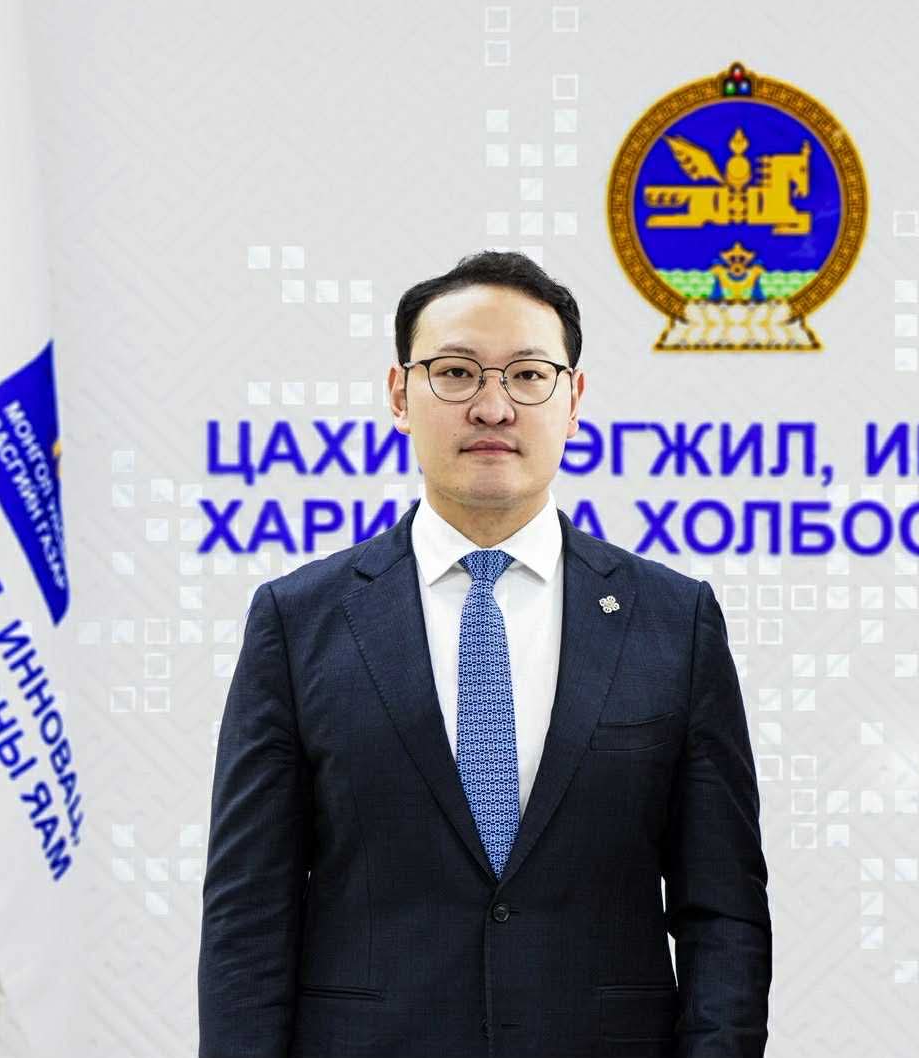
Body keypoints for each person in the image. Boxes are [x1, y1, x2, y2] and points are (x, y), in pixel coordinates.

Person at [197, 250, 771, 1057]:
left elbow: (725, 915)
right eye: (457, 373)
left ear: (574, 400)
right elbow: (247, 913)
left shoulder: (674, 622)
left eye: (529, 376)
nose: (494, 406)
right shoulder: (298, 622)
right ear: (401, 395)